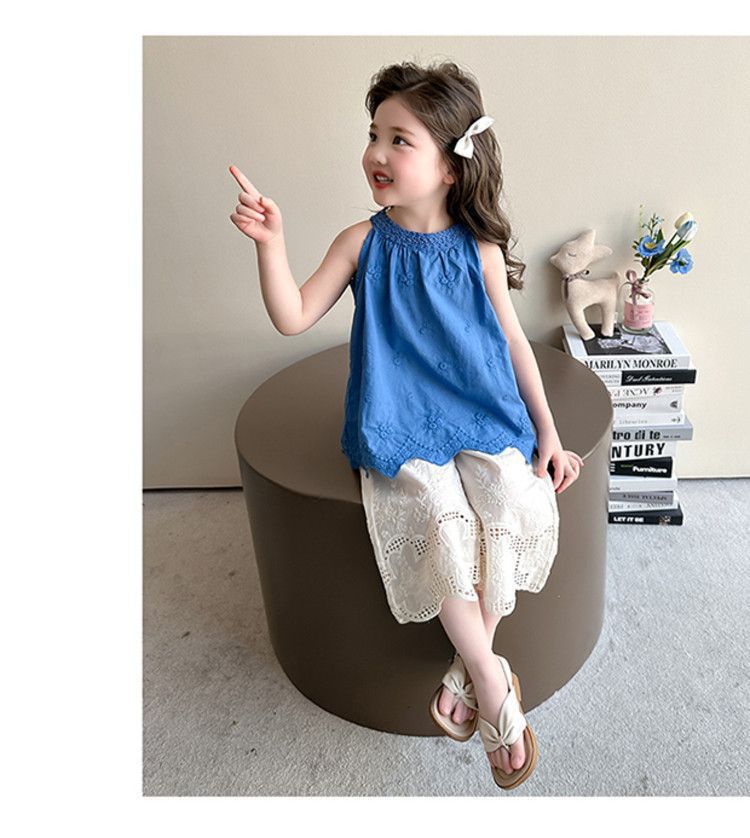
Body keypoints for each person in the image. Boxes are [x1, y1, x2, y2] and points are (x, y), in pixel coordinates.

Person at [228, 59, 583, 791]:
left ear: (451, 166)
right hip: (396, 419)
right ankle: (491, 681)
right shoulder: (361, 242)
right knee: (436, 516)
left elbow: (514, 343)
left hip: (482, 410)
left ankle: (469, 670)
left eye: (399, 139)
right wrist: (271, 244)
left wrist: (547, 432)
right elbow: (293, 316)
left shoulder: (479, 249)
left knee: (507, 504)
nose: (377, 153)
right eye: (373, 135)